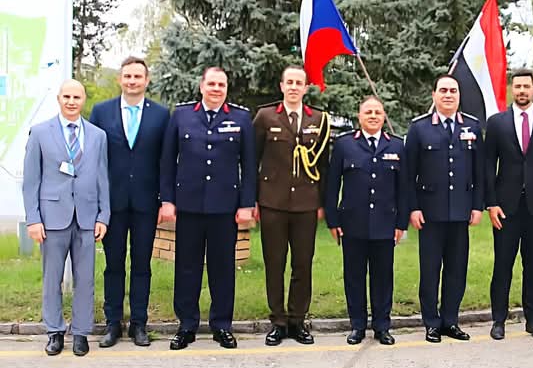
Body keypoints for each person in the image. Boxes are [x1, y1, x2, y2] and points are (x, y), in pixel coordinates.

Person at [158, 67, 256, 350]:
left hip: (225, 208)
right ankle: (187, 325)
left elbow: (250, 165)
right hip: (188, 206)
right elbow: (167, 161)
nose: (216, 89)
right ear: (201, 86)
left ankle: (222, 325)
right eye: (211, 84)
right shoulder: (182, 116)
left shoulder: (240, 118)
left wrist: (246, 204)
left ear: (226, 88)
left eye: (221, 84)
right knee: (187, 268)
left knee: (222, 268)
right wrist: (167, 200)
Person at [22, 79, 110, 356]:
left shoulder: (97, 135)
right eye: (67, 97)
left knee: (85, 279)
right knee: (52, 278)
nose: (71, 102)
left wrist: (103, 215)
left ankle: (81, 332)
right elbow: (31, 181)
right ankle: (55, 331)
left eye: (77, 97)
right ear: (59, 99)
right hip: (52, 218)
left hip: (86, 217)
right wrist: (33, 219)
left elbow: (102, 177)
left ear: (84, 100)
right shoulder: (40, 133)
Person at [89, 56, 170, 348]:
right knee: (113, 265)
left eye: (138, 77)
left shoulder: (161, 115)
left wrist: (165, 200)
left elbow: (166, 160)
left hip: (147, 203)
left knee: (141, 265)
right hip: (112, 203)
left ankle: (139, 323)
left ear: (147, 81)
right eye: (128, 76)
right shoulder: (101, 112)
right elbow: (94, 159)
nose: (132, 81)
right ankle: (113, 323)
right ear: (120, 79)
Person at [484, 69, 533, 341]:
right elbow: (488, 165)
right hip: (505, 207)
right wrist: (491, 203)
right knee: (503, 264)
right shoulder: (497, 123)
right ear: (512, 89)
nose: (522, 91)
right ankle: (498, 320)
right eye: (517, 86)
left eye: (526, 86)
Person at [253, 65, 331, 346]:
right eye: (290, 82)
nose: (294, 87)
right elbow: (252, 160)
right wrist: (253, 200)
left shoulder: (318, 119)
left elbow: (324, 165)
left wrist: (322, 202)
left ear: (306, 88)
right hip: (272, 202)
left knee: (302, 264)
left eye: (299, 83)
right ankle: (278, 321)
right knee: (275, 264)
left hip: (306, 204)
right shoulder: (265, 117)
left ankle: (297, 321)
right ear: (282, 86)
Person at [405, 74, 484, 343]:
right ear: (434, 95)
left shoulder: (472, 127)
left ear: (459, 96)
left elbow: (479, 172)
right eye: (443, 90)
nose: (448, 95)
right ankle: (431, 323)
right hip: (429, 213)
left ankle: (450, 321)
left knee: (456, 270)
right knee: (430, 271)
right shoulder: (419, 128)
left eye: (453, 90)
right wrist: (413, 208)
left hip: (461, 212)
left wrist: (477, 206)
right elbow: (408, 175)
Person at [324, 96, 407, 346]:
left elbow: (404, 189)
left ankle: (382, 326)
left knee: (383, 278)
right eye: (368, 112)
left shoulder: (397, 146)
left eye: (377, 112)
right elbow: (332, 185)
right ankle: (357, 326)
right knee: (354, 277)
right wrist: (332, 220)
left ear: (383, 117)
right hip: (352, 223)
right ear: (359, 116)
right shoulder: (344, 145)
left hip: (385, 223)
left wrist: (401, 223)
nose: (373, 116)